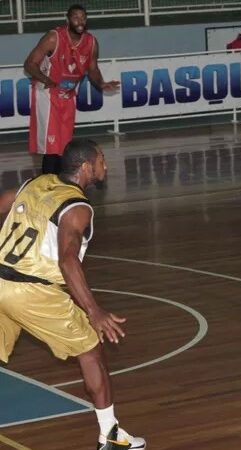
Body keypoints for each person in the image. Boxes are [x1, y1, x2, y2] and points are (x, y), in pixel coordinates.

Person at [0, 139, 145, 450]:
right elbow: (68, 260)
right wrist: (94, 311)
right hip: (32, 290)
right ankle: (110, 435)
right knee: (91, 352)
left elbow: (3, 203)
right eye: (102, 159)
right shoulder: (77, 208)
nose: (106, 164)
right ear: (86, 168)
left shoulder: (36, 183)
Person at [24, 4, 120, 175]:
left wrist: (101, 83)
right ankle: (47, 185)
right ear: (67, 19)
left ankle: (60, 184)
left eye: (83, 17)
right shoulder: (54, 37)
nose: (80, 21)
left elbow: (92, 69)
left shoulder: (91, 42)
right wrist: (47, 80)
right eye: (76, 17)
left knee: (64, 145)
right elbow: (29, 64)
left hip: (68, 95)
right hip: (47, 94)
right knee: (52, 146)